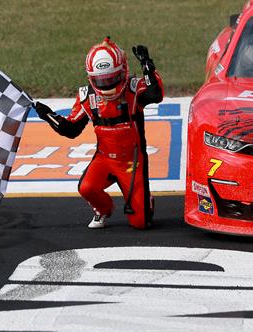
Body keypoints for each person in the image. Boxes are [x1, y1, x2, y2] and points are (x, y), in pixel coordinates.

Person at [34, 37, 164, 229]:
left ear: (122, 71)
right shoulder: (87, 97)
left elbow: (156, 94)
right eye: (101, 80)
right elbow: (71, 129)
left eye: (111, 79)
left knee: (141, 223)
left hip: (132, 162)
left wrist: (147, 66)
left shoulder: (134, 88)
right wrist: (49, 116)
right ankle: (103, 209)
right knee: (86, 188)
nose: (107, 85)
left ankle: (146, 200)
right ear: (91, 78)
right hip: (104, 159)